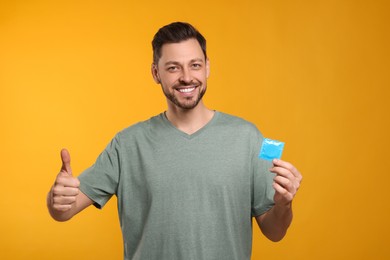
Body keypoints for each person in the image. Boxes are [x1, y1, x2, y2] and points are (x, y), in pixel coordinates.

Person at [47, 22, 302, 260]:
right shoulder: (127, 144)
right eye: (173, 67)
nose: (186, 77)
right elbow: (63, 211)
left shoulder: (249, 138)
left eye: (195, 65)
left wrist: (284, 204)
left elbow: (275, 232)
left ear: (207, 67)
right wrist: (56, 199)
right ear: (155, 73)